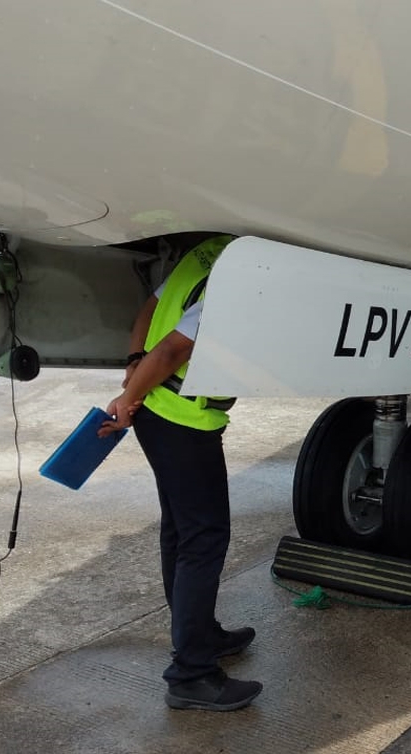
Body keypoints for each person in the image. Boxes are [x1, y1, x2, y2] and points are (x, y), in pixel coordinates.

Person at [98, 234, 262, 711]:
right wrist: (127, 401)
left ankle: (201, 635)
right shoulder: (241, 272)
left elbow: (149, 306)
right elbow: (172, 350)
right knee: (204, 537)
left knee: (181, 531)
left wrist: (133, 366)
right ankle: (191, 673)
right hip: (181, 419)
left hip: (159, 410)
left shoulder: (206, 252)